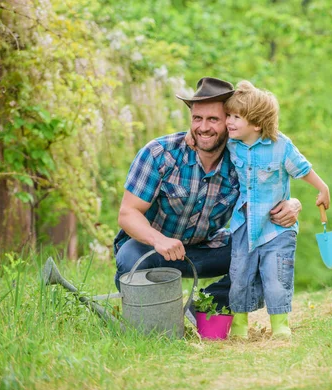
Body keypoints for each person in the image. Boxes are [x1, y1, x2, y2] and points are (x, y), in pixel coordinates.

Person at [113, 77, 302, 315]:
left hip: (206, 248)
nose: (203, 127)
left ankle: (199, 310)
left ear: (231, 122)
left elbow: (275, 191)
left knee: (264, 251)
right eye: (197, 119)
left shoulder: (243, 161)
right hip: (152, 247)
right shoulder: (160, 153)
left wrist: (293, 204)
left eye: (213, 119)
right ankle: (153, 319)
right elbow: (128, 213)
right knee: (129, 257)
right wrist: (159, 240)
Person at [187, 80, 330, 339]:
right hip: (243, 226)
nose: (229, 121)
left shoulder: (281, 146)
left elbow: (303, 169)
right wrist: (191, 137)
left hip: (276, 227)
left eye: (236, 117)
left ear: (256, 123)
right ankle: (239, 326)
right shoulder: (231, 144)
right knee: (239, 277)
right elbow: (205, 140)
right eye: (228, 115)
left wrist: (322, 189)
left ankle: (280, 325)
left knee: (277, 276)